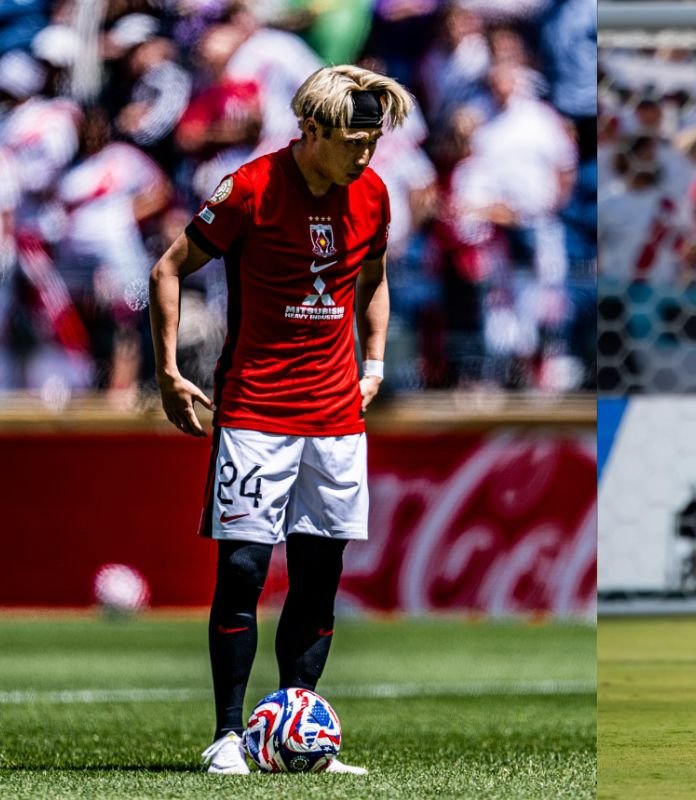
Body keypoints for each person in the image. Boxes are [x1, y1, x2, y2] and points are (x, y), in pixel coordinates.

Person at [148, 64, 413, 775]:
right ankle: (227, 736)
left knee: (319, 579)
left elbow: (374, 278)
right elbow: (168, 269)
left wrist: (375, 363)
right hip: (256, 411)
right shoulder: (250, 188)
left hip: (337, 417)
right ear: (313, 130)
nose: (366, 154)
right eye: (354, 141)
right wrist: (169, 373)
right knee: (243, 571)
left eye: (373, 141)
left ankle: (300, 732)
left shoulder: (374, 193)